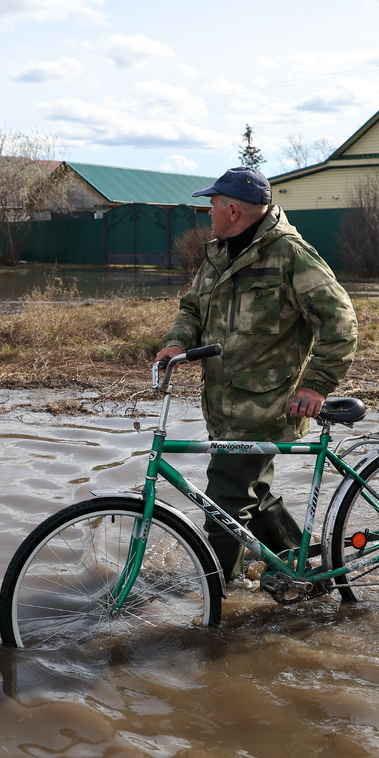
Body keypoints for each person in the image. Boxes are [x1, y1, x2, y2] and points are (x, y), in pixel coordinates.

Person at [154, 166, 358, 582]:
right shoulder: (217, 253)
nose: (207, 213)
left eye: (211, 206)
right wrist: (178, 343)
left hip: (265, 406)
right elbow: (192, 307)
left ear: (232, 210)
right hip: (223, 405)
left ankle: (216, 599)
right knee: (254, 493)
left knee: (223, 504)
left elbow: (340, 321)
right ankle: (301, 566)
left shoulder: (290, 254)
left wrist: (316, 384)